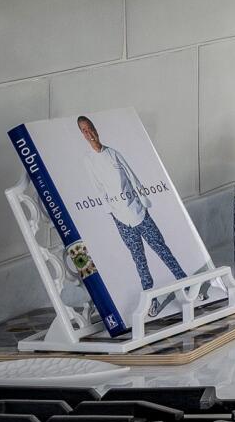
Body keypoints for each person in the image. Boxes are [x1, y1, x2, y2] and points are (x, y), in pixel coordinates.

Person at [79, 114, 187, 291]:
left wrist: (143, 200)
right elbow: (98, 188)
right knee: (139, 259)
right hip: (121, 220)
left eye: (90, 127)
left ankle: (186, 284)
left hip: (139, 212)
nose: (89, 132)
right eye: (84, 130)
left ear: (95, 129)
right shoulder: (88, 160)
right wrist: (112, 212)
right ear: (83, 135)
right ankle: (149, 296)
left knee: (161, 248)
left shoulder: (113, 153)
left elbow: (132, 178)